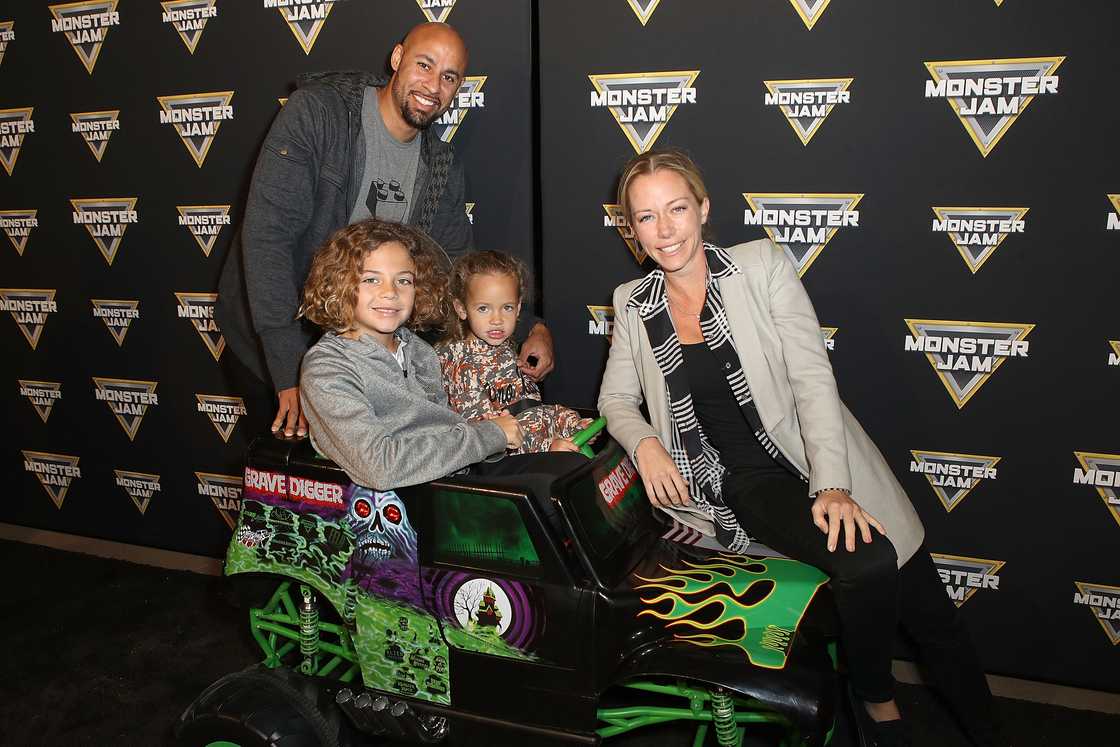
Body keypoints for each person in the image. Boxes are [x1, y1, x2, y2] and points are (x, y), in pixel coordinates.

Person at [597, 149, 999, 747]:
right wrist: (648, 442)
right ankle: (874, 696)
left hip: (823, 457)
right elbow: (614, 400)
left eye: (677, 209)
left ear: (703, 209)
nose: (666, 229)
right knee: (866, 561)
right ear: (632, 229)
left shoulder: (761, 265)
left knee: (932, 617)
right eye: (647, 217)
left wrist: (833, 485)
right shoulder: (634, 302)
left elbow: (813, 379)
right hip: (743, 484)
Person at [216, 21, 554, 442]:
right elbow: (268, 240)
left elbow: (460, 267)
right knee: (290, 496)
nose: (434, 85)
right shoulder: (319, 114)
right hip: (275, 344)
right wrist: (289, 370)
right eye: (424, 65)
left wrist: (528, 327)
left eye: (449, 77)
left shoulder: (440, 164)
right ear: (397, 59)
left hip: (360, 356)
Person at [298, 219, 522, 490]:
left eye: (403, 280)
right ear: (339, 285)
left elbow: (443, 432)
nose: (390, 293)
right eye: (371, 279)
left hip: (452, 483)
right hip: (401, 511)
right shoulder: (327, 367)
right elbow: (381, 467)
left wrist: (493, 435)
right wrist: (490, 435)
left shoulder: (419, 351)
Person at [436, 251, 592, 455]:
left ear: (518, 308)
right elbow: (487, 439)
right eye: (484, 309)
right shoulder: (462, 368)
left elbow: (534, 411)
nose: (497, 319)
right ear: (461, 309)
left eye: (507, 308)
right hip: (511, 475)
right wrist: (546, 449)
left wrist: (573, 424)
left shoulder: (507, 351)